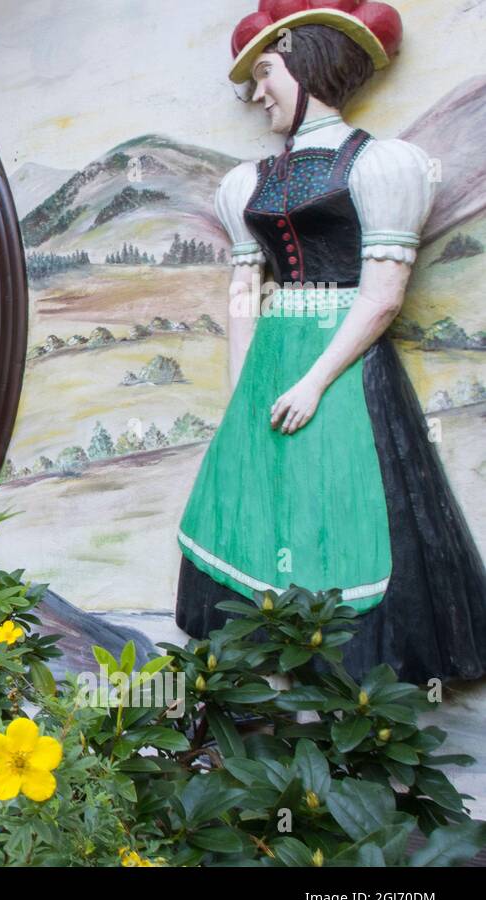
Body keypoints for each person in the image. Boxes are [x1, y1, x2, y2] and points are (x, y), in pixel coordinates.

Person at [174, 1, 486, 684]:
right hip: (272, 355)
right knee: (262, 502)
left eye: (265, 74)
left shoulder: (383, 165)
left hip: (345, 365)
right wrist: (240, 394)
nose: (256, 95)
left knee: (350, 503)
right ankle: (271, 668)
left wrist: (315, 380)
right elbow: (243, 293)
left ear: (307, 64)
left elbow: (381, 297)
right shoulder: (246, 183)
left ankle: (352, 682)